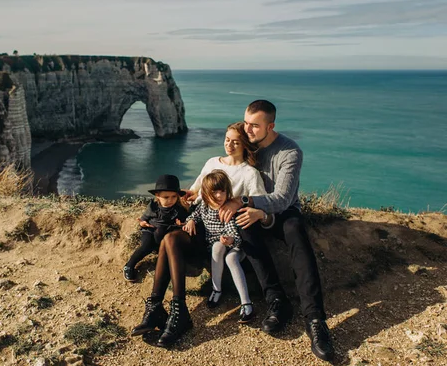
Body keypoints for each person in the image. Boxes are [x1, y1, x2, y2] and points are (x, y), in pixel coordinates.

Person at [130, 122, 273, 347]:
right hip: (199, 224)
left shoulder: (250, 173)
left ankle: (175, 312)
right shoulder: (211, 162)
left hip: (223, 232)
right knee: (170, 238)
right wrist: (186, 200)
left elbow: (261, 202)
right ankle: (160, 307)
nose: (229, 144)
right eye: (227, 139)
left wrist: (241, 204)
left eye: (236, 140)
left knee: (169, 240)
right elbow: (196, 191)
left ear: (245, 144)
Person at [219, 99, 335, 361]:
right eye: (246, 124)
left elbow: (283, 198)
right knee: (243, 222)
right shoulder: (245, 145)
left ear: (270, 126)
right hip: (253, 212)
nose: (247, 131)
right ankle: (277, 301)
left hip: (282, 213)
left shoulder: (289, 152)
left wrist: (249, 202)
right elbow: (224, 166)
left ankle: (315, 319)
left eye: (255, 126)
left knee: (295, 229)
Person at [184, 170, 268, 323]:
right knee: (217, 247)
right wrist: (190, 221)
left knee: (231, 259)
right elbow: (194, 215)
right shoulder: (204, 206)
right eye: (214, 192)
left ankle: (246, 303)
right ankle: (217, 290)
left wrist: (229, 240)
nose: (219, 196)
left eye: (222, 192)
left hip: (236, 246)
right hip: (218, 245)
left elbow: (234, 233)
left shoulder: (228, 209)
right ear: (206, 193)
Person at [123, 174, 189, 282]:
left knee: (169, 245)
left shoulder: (179, 209)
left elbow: (185, 221)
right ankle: (129, 265)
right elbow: (144, 219)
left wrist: (181, 224)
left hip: (166, 233)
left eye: (174, 196)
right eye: (166, 197)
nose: (170, 200)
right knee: (146, 245)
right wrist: (143, 224)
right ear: (157, 195)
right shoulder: (153, 207)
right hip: (151, 230)